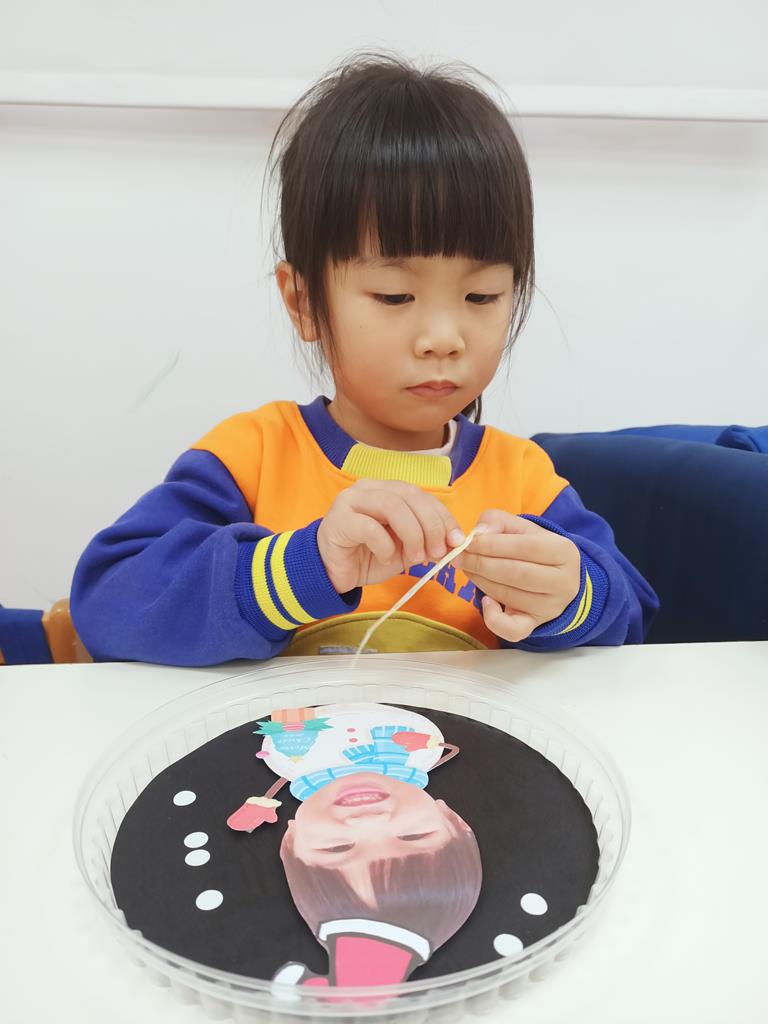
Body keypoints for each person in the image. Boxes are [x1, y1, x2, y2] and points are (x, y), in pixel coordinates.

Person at [69, 51, 659, 667]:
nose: (443, 338)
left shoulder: (524, 482)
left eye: (481, 296)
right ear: (302, 302)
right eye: (395, 296)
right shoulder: (251, 460)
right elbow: (109, 600)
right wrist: (306, 565)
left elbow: (632, 623)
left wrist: (570, 596)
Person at [226, 703, 482, 990]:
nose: (368, 820)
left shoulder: (293, 763)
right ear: (453, 819)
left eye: (338, 847)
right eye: (413, 836)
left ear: (290, 841)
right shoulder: (420, 748)